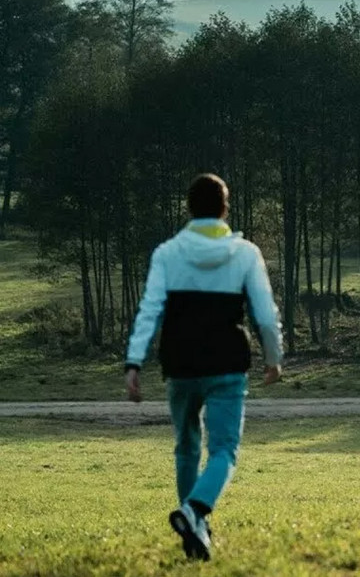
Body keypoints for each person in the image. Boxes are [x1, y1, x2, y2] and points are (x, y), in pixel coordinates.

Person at [124, 173, 284, 561]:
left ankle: (195, 532)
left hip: (180, 365)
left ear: (189, 208)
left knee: (186, 448)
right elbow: (264, 312)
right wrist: (274, 356)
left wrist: (134, 361)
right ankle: (196, 511)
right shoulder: (245, 253)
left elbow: (150, 312)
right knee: (224, 449)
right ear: (225, 208)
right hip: (228, 363)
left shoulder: (166, 253)